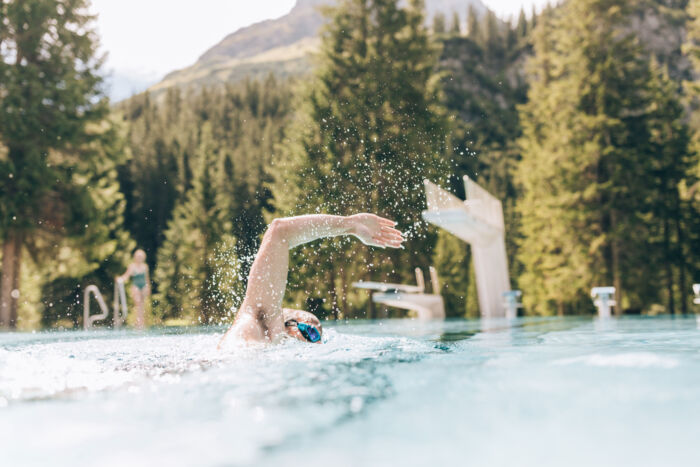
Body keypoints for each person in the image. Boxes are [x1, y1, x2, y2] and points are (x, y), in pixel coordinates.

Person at [219, 213, 404, 347]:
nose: (314, 342)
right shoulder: (260, 320)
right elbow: (279, 230)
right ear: (289, 326)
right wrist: (351, 224)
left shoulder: (274, 347)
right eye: (311, 334)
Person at [118, 249, 151, 329]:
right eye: (138, 256)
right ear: (135, 257)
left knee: (142, 304)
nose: (139, 258)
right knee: (138, 302)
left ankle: (141, 322)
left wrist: (148, 287)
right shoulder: (132, 266)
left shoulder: (145, 267)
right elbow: (126, 276)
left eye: (141, 257)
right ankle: (138, 321)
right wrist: (120, 279)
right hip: (135, 285)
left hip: (143, 285)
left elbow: (147, 278)